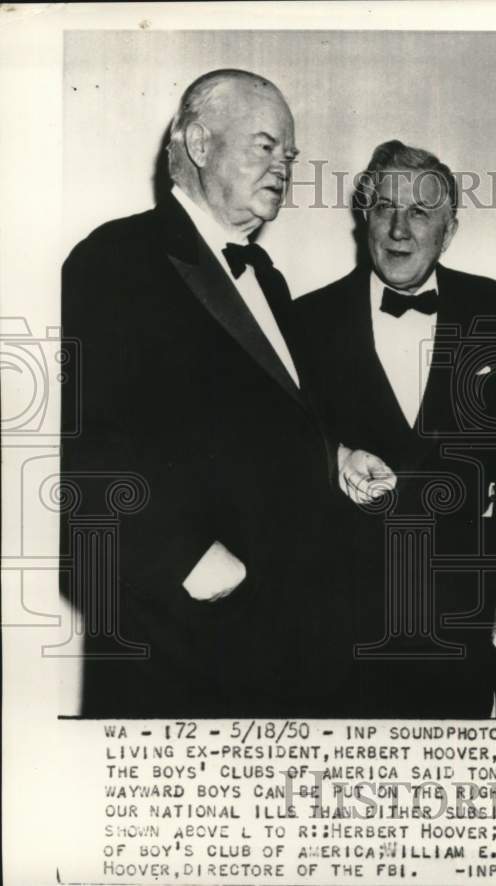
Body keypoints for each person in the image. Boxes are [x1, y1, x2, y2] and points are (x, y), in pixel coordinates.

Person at [61, 69, 352, 717]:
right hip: (179, 636)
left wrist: (337, 453)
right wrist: (187, 563)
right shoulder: (117, 258)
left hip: (281, 639)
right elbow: (80, 446)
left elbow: (266, 422)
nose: (284, 166)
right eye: (265, 145)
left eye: (291, 155)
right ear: (197, 142)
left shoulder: (268, 279)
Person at [293, 140, 496, 716]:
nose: (399, 229)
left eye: (420, 213)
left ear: (449, 230)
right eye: (385, 209)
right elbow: (282, 453)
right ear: (363, 217)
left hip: (461, 628)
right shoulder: (303, 322)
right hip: (337, 634)